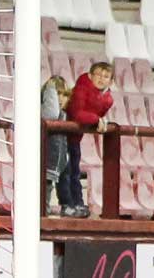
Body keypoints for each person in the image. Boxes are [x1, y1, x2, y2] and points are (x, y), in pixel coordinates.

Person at [61, 62, 114, 219]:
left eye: (106, 77)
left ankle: (78, 203)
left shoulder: (108, 99)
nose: (101, 79)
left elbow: (96, 116)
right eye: (98, 75)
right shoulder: (81, 89)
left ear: (111, 81)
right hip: (62, 135)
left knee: (74, 171)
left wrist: (97, 120)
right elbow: (78, 114)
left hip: (75, 138)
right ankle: (68, 204)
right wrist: (96, 119)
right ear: (90, 76)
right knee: (66, 171)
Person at [42, 75, 72, 215]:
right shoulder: (44, 111)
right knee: (41, 203)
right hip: (42, 165)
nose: (60, 99)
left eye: (64, 95)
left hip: (55, 167)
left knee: (45, 203)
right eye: (57, 94)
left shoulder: (65, 115)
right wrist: (50, 88)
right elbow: (51, 114)